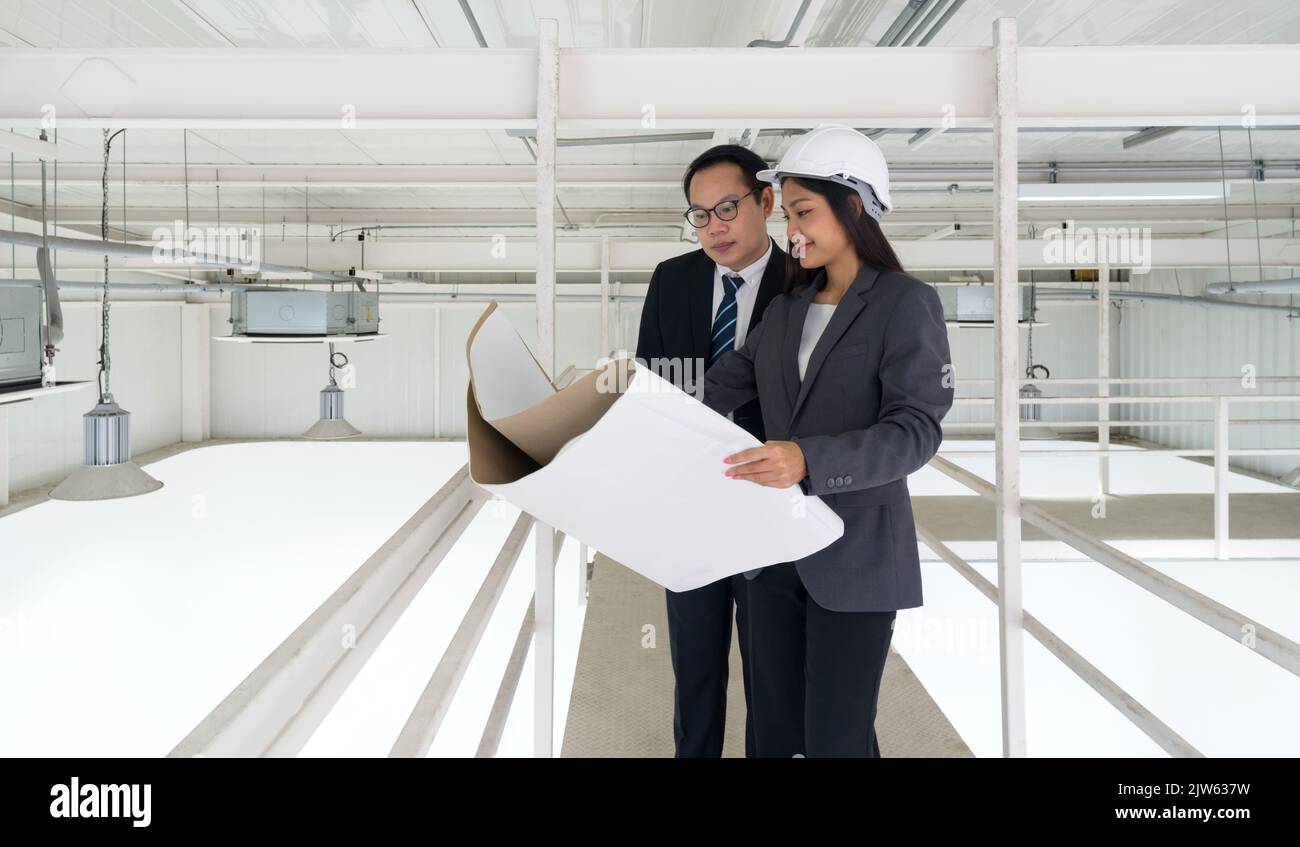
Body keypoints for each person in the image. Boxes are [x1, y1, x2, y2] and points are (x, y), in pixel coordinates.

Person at [702, 125, 955, 757]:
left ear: (856, 206)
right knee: (770, 731)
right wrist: (619, 400)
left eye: (805, 212)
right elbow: (716, 388)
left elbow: (916, 431)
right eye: (788, 215)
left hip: (858, 556)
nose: (794, 230)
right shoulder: (786, 310)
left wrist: (808, 459)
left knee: (836, 738)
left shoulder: (905, 303)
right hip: (773, 552)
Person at [636, 144, 785, 757]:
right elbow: (651, 381)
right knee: (694, 664)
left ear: (767, 202)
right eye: (699, 214)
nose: (714, 226)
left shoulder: (807, 280)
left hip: (772, 501)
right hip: (691, 504)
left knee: (770, 666)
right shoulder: (672, 279)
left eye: (726, 207)